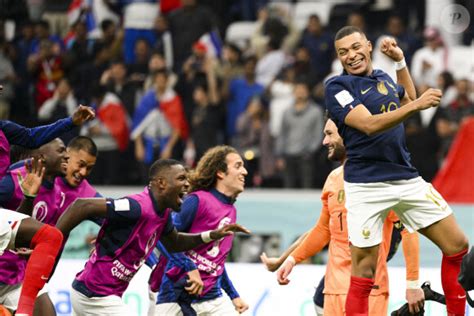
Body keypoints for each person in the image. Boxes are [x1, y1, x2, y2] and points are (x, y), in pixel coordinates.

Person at [324, 26, 469, 315]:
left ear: (368, 46)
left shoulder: (382, 78)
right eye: (343, 52)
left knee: (458, 245)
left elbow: (406, 98)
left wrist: (400, 63)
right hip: (366, 185)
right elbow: (368, 124)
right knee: (364, 272)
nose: (351, 56)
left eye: (355, 48)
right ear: (339, 58)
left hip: (406, 177)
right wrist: (416, 106)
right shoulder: (337, 88)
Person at [55, 159, 249, 315]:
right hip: (94, 294)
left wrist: (210, 235)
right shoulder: (137, 206)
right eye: (181, 178)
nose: (187, 184)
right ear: (162, 183)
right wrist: (51, 240)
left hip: (102, 294)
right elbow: (82, 206)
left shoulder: (163, 214)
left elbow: (176, 243)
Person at [268, 118, 422, 315]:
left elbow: (409, 230)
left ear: (349, 136)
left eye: (330, 134)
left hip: (371, 292)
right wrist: (291, 260)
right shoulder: (333, 179)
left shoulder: (383, 180)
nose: (324, 141)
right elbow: (323, 230)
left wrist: (413, 283)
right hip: (333, 291)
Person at [154, 145, 249, 315]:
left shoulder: (231, 211)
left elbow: (215, 262)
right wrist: (189, 267)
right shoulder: (197, 201)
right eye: (238, 166)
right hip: (178, 295)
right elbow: (164, 239)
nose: (245, 172)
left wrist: (233, 295)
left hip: (213, 298)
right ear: (220, 172)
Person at [0, 158, 63, 316]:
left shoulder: (59, 192)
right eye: (61, 151)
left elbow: (51, 236)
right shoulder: (10, 182)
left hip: (17, 275)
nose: (66, 156)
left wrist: (28, 197)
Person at [0, 103, 95, 179]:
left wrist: (71, 121)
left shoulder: (3, 127)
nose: (1, 87)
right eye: (61, 151)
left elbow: (31, 137)